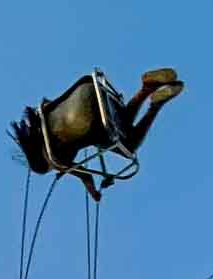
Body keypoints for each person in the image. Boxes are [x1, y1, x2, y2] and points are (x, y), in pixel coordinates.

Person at [11, 69, 184, 202]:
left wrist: (93, 192)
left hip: (89, 120)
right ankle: (147, 89)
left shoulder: (56, 159)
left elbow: (86, 175)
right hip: (88, 89)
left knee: (129, 145)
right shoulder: (43, 121)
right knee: (120, 124)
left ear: (43, 162)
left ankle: (156, 104)